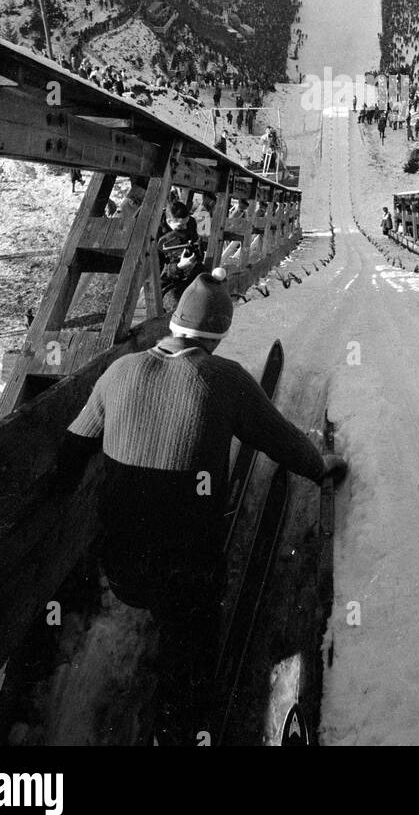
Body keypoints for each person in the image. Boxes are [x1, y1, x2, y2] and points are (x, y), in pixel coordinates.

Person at [57, 270, 348, 746]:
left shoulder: (118, 371)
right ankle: (179, 725)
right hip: (185, 578)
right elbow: (281, 442)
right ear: (219, 333)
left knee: (157, 565)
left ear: (175, 323)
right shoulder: (223, 378)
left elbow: (72, 452)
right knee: (191, 639)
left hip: (121, 569)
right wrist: (320, 468)